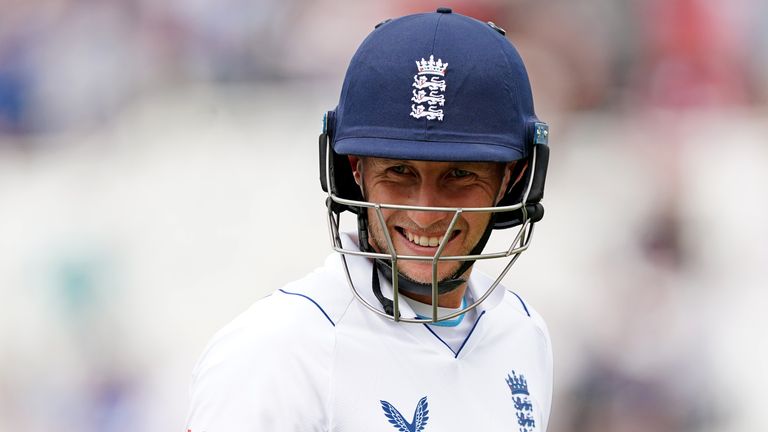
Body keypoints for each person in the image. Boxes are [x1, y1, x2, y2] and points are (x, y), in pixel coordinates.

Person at [186, 8, 553, 431]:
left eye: (459, 175)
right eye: (399, 172)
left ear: (512, 177)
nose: (424, 212)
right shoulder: (276, 351)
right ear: (356, 170)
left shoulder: (523, 333)